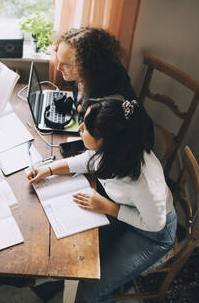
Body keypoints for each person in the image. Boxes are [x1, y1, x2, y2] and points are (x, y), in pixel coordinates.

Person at [27, 96, 176, 303]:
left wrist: (109, 207)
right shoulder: (114, 150)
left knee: (93, 290)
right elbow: (87, 160)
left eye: (86, 128)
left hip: (153, 234)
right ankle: (62, 279)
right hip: (128, 210)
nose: (80, 128)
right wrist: (48, 170)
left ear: (105, 141)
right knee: (72, 248)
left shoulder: (145, 183)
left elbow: (155, 224)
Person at [53, 28, 154, 148]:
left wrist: (81, 112)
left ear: (86, 65)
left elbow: (98, 142)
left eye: (67, 64)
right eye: (59, 60)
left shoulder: (104, 99)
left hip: (128, 147)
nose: (58, 68)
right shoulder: (85, 74)